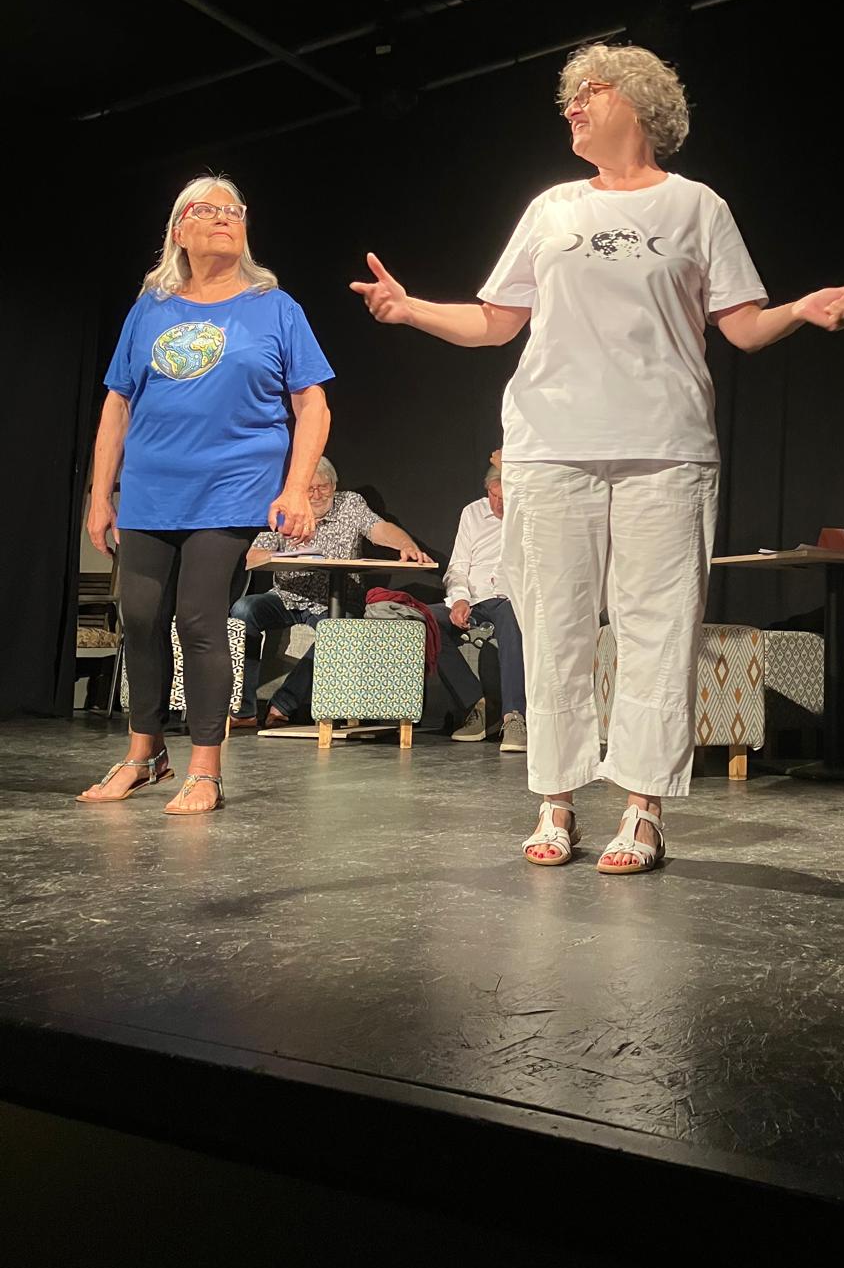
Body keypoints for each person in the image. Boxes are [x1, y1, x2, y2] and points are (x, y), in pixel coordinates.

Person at [352, 41, 844, 871]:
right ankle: (555, 802)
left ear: (639, 101)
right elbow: (495, 321)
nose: (572, 106)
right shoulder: (551, 208)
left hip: (665, 447)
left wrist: (803, 310)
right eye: (569, 96)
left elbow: (742, 325)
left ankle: (642, 808)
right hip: (549, 444)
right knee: (552, 624)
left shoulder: (697, 207)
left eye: (588, 91)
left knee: (658, 628)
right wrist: (410, 308)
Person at [79, 176, 333, 814]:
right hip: (150, 486)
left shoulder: (276, 307)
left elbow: (312, 403)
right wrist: (100, 494)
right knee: (140, 615)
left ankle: (205, 767)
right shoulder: (150, 309)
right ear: (179, 230)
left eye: (234, 210)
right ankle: (145, 754)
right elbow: (117, 404)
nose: (225, 218)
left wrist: (296, 486)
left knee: (198, 616)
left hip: (231, 484)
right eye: (208, 209)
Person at [230, 455, 434, 729]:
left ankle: (282, 705)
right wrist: (285, 556)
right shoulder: (286, 508)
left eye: (323, 487)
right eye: (309, 489)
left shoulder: (350, 504)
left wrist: (406, 545)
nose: (316, 495)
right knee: (244, 610)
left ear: (334, 485)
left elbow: (379, 529)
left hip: (335, 600)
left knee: (338, 630)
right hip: (286, 596)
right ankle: (244, 710)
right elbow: (253, 556)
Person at [428, 462, 526, 751]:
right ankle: (478, 706)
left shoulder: (530, 515)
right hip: (474, 600)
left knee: (510, 614)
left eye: (506, 498)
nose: (499, 505)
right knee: (426, 619)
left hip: (510, 599)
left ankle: (514, 716)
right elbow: (458, 567)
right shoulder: (472, 513)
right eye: (494, 496)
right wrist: (459, 598)